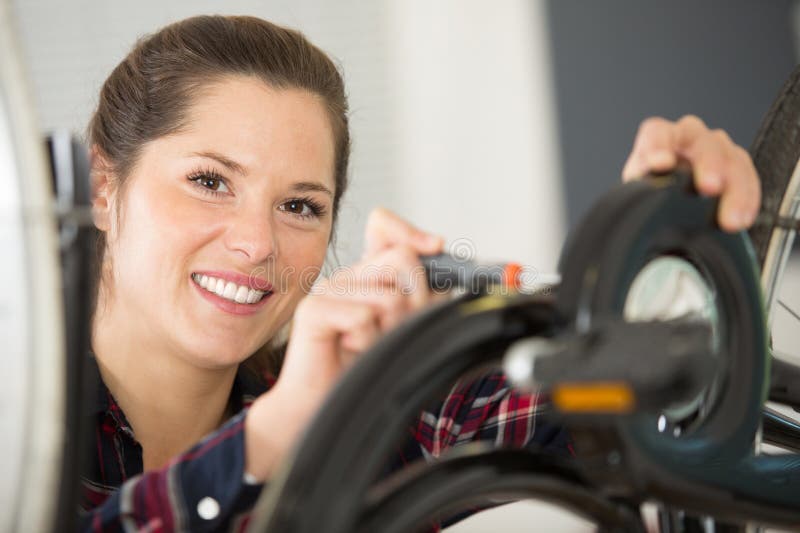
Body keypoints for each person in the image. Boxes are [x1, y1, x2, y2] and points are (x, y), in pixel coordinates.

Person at [79, 14, 761, 533]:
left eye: (298, 205)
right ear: (105, 187)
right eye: (209, 180)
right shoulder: (18, 424)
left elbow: (633, 393)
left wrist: (675, 245)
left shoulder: (370, 414)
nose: (257, 243)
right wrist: (273, 435)